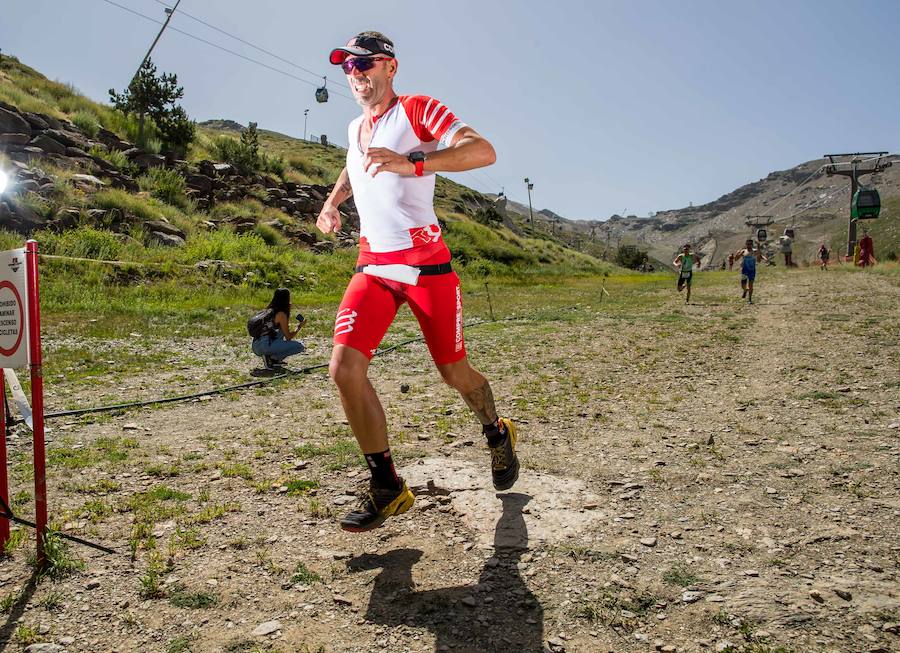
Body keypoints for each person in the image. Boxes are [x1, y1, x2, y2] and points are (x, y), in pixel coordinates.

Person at [317, 31, 517, 533]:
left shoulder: (418, 109)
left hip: (427, 268)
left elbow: (482, 151)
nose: (355, 73)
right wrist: (333, 201)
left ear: (390, 66)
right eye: (347, 66)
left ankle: (495, 430)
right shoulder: (354, 127)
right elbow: (354, 168)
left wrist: (414, 162)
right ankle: (387, 486)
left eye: (364, 64)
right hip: (374, 266)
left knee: (455, 374)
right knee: (343, 369)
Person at [250, 288, 305, 369]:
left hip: (256, 345)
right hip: (265, 346)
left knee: (279, 332)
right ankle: (272, 358)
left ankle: (271, 359)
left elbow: (281, 332)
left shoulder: (267, 311)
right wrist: (299, 327)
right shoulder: (281, 315)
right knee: (299, 346)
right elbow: (288, 337)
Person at [734, 239, 768, 304]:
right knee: (743, 284)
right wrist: (738, 254)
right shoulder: (743, 251)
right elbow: (735, 259)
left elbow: (760, 256)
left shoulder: (755, 251)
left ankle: (750, 299)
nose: (748, 245)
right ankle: (745, 290)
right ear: (746, 244)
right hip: (744, 270)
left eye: (750, 244)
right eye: (747, 244)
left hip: (752, 270)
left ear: (752, 245)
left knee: (751, 285)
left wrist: (764, 259)